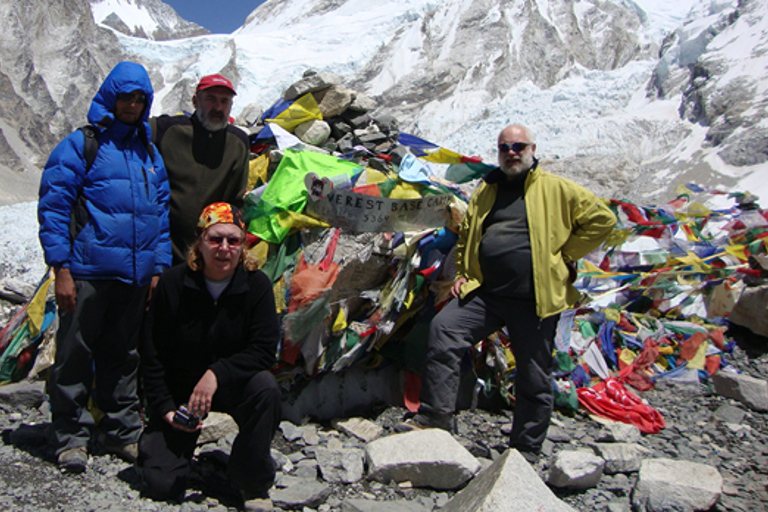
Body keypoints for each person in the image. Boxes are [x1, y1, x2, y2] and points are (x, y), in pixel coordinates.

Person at [397, 125, 617, 457]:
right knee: (445, 330)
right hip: (488, 294)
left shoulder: (556, 188)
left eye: (518, 146)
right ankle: (436, 416)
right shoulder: (488, 190)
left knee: (534, 372)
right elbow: (469, 235)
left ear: (532, 149)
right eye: (505, 148)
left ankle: (525, 450)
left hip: (535, 300)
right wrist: (465, 274)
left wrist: (566, 253)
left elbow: (603, 219)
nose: (511, 152)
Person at [37, 61, 171, 473]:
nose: (131, 104)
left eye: (139, 98)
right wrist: (60, 268)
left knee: (123, 355)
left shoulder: (149, 152)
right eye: (125, 96)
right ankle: (71, 438)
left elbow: (160, 212)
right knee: (75, 355)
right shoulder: (82, 145)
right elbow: (54, 206)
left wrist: (157, 267)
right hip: (88, 271)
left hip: (134, 276)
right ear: (110, 97)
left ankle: (122, 433)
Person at [138, 203, 281, 511]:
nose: (224, 249)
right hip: (182, 392)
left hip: (231, 385)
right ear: (199, 242)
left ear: (243, 245)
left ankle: (251, 480)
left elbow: (264, 350)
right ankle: (166, 446)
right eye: (215, 239)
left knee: (265, 388)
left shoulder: (256, 286)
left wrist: (216, 374)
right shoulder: (173, 284)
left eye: (233, 240)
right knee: (160, 485)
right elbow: (152, 352)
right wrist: (163, 408)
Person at [150, 74, 250, 264]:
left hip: (210, 254)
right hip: (162, 249)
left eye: (224, 101)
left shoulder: (238, 143)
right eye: (211, 99)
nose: (218, 107)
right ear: (196, 101)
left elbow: (236, 201)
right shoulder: (168, 131)